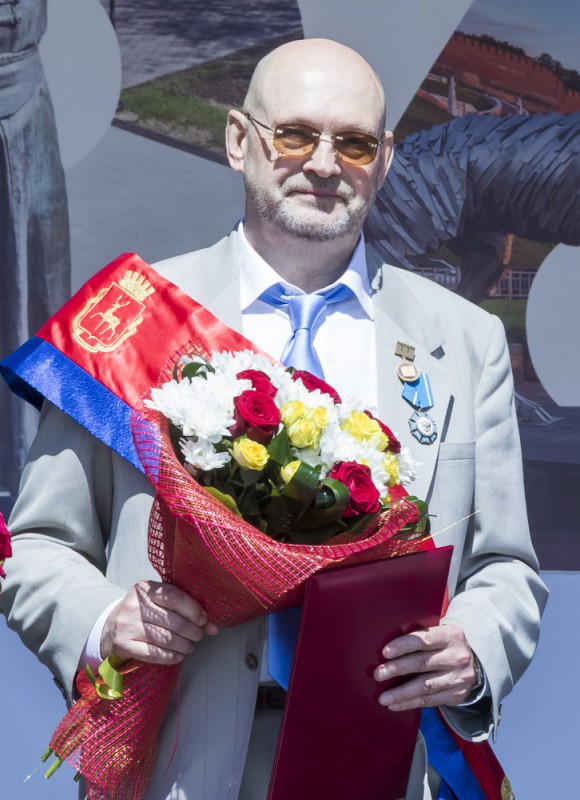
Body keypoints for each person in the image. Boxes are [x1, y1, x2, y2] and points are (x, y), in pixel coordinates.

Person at [2, 39, 547, 799]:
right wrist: (103, 623)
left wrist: (475, 649)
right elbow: (37, 546)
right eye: (294, 134)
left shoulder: (464, 340)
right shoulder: (127, 319)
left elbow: (506, 568)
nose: (323, 164)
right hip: (176, 764)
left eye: (353, 144)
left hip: (376, 763)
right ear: (238, 140)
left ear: (386, 160)